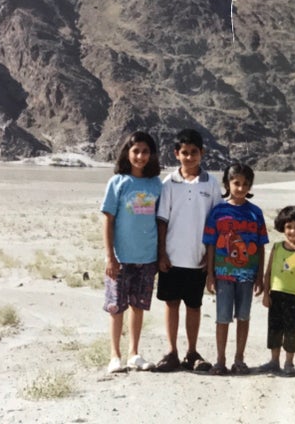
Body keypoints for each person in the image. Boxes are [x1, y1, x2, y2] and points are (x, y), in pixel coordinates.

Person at [154, 129, 222, 373]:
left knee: (194, 306)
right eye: (185, 152)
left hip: (198, 257)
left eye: (194, 152)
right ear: (176, 154)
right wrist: (162, 253)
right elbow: (162, 220)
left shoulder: (211, 184)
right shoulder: (169, 183)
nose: (189, 157)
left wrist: (210, 256)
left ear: (202, 153)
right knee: (171, 303)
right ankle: (171, 351)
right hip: (172, 257)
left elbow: (215, 223)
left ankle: (192, 352)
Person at [101, 131, 162, 373]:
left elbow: (160, 220)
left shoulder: (156, 184)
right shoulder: (117, 182)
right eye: (135, 150)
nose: (140, 156)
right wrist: (109, 256)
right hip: (121, 257)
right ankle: (114, 355)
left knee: (138, 306)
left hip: (147, 257)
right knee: (116, 307)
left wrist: (159, 254)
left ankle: (133, 353)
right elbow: (108, 219)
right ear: (127, 152)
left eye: (145, 151)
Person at [203, 162, 269, 375]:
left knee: (243, 316)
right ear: (227, 183)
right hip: (223, 275)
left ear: (250, 186)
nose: (240, 188)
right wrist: (210, 274)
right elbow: (211, 244)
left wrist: (260, 277)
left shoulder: (255, 213)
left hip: (247, 276)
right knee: (222, 317)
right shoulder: (218, 211)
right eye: (236, 183)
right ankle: (220, 360)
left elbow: (260, 247)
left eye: (245, 184)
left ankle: (239, 359)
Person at [259, 205, 295, 377]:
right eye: (289, 227)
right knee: (274, 329)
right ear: (282, 227)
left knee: (291, 330)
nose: (293, 231)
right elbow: (268, 272)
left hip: (294, 296)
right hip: (276, 294)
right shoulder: (276, 247)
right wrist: (266, 293)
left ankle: (289, 362)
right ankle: (274, 361)